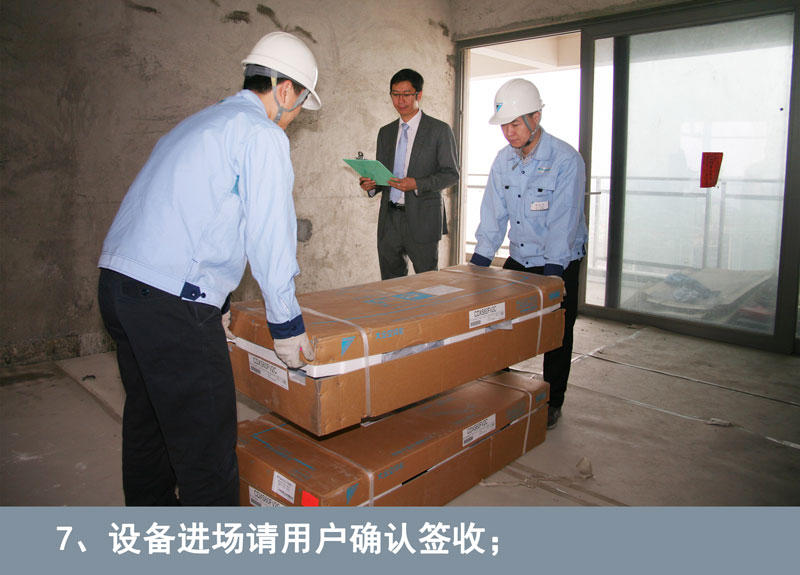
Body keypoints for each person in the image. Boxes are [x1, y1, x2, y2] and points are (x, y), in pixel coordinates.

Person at [96, 31, 320, 506]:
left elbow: (194, 219)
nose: (295, 116)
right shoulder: (262, 134)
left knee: (150, 425)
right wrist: (287, 325)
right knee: (207, 449)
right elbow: (269, 236)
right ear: (285, 90)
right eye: (300, 105)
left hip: (118, 286)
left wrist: (216, 303)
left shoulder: (199, 123)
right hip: (169, 305)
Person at [469, 78, 587, 430]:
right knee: (499, 320)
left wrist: (553, 277)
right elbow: (494, 213)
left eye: (515, 124)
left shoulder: (565, 159)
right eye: (504, 125)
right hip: (520, 256)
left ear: (536, 117)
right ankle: (503, 386)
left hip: (559, 259)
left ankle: (553, 400)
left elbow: (564, 221)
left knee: (557, 331)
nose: (509, 132)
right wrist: (479, 263)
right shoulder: (503, 160)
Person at [359, 68, 459, 280]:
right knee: (391, 283)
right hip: (389, 219)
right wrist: (372, 185)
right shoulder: (385, 132)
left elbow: (451, 174)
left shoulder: (439, 130)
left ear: (418, 95)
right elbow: (384, 175)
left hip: (423, 218)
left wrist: (417, 183)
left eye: (406, 94)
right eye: (395, 94)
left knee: (427, 281)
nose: (400, 100)